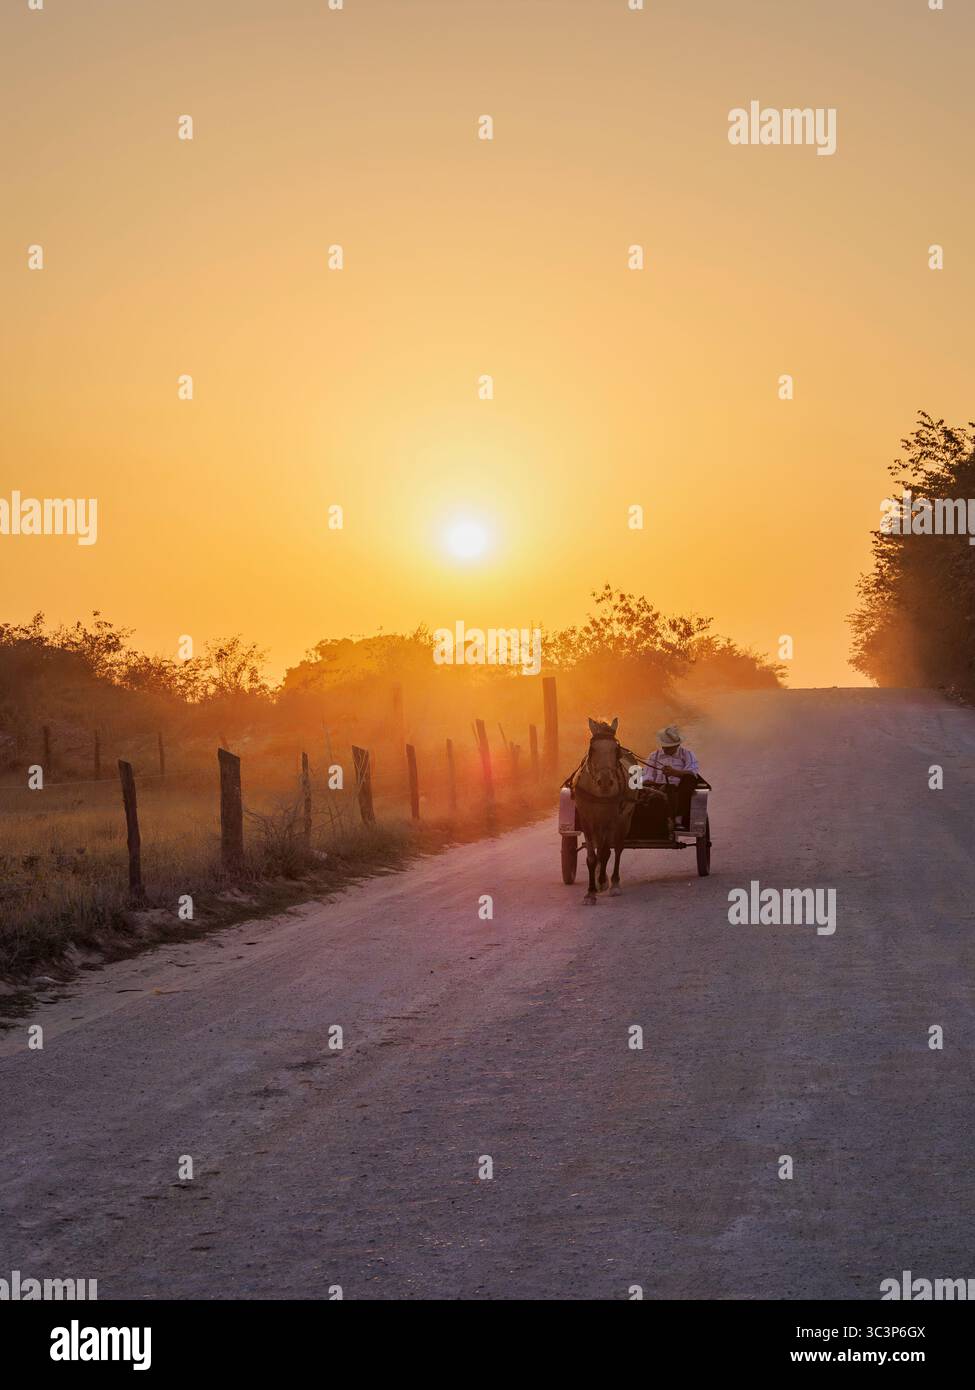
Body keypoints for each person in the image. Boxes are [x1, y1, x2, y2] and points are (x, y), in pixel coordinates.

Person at [642, 725, 702, 828]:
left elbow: (692, 773)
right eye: (663, 746)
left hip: (679, 791)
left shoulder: (687, 755)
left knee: (689, 778)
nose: (665, 749)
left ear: (677, 745)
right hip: (658, 790)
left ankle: (679, 816)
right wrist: (652, 786)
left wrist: (674, 772)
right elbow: (647, 776)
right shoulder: (654, 756)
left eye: (669, 747)